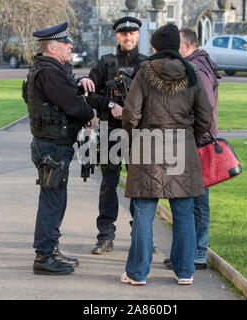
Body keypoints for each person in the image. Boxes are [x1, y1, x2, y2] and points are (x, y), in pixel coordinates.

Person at [121, 24, 212, 285]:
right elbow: (204, 116)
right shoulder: (192, 73)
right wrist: (189, 138)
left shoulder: (144, 72)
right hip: (181, 147)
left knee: (144, 214)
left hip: (148, 146)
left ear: (156, 47)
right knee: (183, 213)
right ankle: (185, 271)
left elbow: (131, 113)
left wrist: (134, 136)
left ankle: (138, 273)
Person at [23, 22, 96, 275]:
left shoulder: (52, 69)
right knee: (52, 201)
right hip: (52, 146)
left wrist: (80, 83)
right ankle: (44, 257)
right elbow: (72, 105)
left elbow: (64, 93)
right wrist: (89, 113)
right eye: (66, 43)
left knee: (55, 199)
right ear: (52, 47)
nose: (71, 46)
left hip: (53, 144)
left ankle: (50, 249)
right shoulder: (49, 72)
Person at [87, 17, 147, 254]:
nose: (128, 38)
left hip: (138, 133)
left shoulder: (147, 64)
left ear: (138, 36)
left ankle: (141, 236)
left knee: (139, 185)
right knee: (108, 183)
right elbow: (89, 94)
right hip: (109, 130)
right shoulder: (104, 63)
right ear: (117, 37)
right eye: (124, 34)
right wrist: (111, 104)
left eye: (132, 34)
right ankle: (105, 236)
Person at [163, 29, 221, 271]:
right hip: (195, 141)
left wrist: (193, 137)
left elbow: (203, 112)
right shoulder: (198, 65)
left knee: (198, 202)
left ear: (186, 46)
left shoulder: (198, 70)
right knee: (190, 201)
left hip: (199, 143)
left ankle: (197, 254)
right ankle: (186, 252)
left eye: (177, 49)